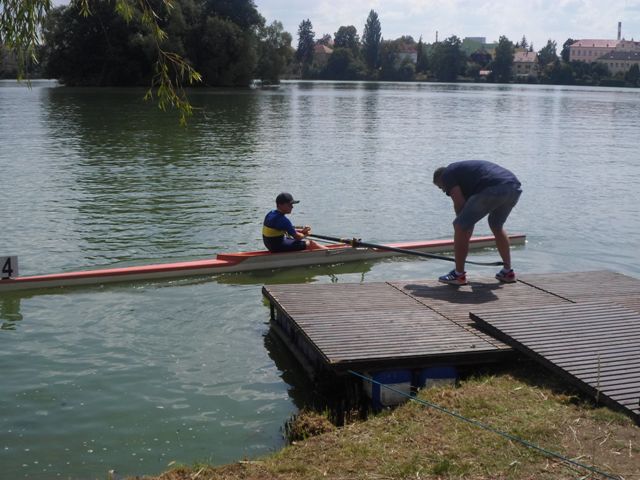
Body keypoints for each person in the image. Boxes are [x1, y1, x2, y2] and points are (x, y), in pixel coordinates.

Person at [432, 160, 522, 286]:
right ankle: (507, 272)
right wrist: (466, 224)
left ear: (441, 179)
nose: (443, 191)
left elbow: (459, 203)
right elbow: (467, 207)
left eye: (441, 187)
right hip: (513, 188)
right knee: (496, 225)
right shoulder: (465, 177)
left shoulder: (447, 174)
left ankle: (458, 275)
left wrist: (462, 226)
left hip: (494, 187)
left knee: (460, 226)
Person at [262, 192, 327, 252]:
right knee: (311, 244)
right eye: (289, 205)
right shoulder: (282, 220)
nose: (292, 207)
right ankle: (330, 254)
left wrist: (302, 231)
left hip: (271, 245)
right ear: (280, 205)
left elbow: (288, 230)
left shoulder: (270, 214)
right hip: (277, 247)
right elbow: (298, 237)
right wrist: (305, 234)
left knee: (299, 242)